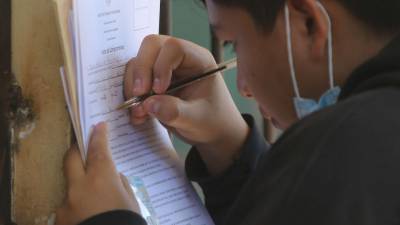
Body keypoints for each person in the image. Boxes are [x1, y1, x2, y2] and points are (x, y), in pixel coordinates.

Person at [56, 0, 400, 224]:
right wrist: (231, 149)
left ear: (308, 22)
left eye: (235, 42)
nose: (244, 87)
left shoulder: (347, 152)